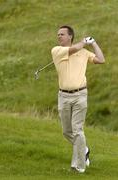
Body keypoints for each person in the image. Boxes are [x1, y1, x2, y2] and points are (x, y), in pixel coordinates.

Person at [51, 25, 105, 173]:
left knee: (78, 130)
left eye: (62, 34)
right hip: (63, 96)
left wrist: (93, 43)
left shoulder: (84, 52)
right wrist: (83, 41)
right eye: (58, 35)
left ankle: (79, 167)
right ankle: (84, 149)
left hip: (80, 95)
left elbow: (101, 59)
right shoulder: (57, 50)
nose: (59, 37)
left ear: (70, 36)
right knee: (67, 131)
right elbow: (73, 49)